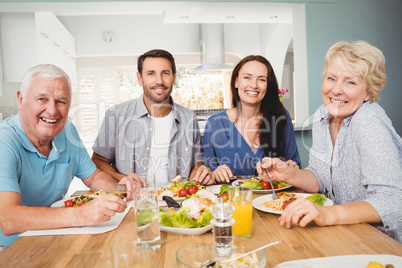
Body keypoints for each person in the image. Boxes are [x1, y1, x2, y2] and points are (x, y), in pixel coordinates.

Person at [257, 41, 402, 243]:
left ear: (369, 91)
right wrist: (289, 174)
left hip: (383, 244)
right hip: (346, 235)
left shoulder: (368, 120)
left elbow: (393, 202)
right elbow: (320, 178)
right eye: (331, 78)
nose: (336, 90)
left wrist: (327, 214)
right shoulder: (322, 115)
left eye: (350, 82)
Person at [0, 64, 137, 248]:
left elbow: (94, 177)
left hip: (53, 237)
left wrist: (121, 190)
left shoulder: (67, 131)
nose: (52, 110)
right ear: (20, 99)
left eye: (61, 101)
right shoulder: (4, 142)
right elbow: (8, 220)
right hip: (10, 250)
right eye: (42, 99)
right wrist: (82, 214)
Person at [92, 49, 214, 186]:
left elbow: (196, 165)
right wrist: (121, 178)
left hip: (177, 201)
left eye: (165, 73)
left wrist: (200, 174)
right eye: (151, 74)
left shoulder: (189, 118)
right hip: (132, 201)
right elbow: (98, 161)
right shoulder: (116, 115)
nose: (159, 81)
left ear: (174, 78)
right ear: (140, 78)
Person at [202, 55, 301, 183]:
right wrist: (214, 175)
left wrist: (292, 167)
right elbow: (209, 175)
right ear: (236, 82)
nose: (254, 85)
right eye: (247, 77)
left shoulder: (281, 117)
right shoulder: (215, 124)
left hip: (273, 201)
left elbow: (295, 163)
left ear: (268, 85)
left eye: (261, 79)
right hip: (233, 201)